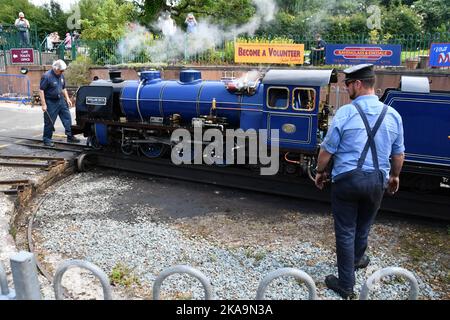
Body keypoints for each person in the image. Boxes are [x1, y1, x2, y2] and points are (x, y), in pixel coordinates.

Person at [314, 64, 405, 299]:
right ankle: (356, 260)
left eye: (347, 85)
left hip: (348, 179)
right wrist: (394, 176)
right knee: (363, 226)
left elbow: (327, 149)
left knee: (346, 230)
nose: (346, 90)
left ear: (357, 84)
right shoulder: (393, 114)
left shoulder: (345, 113)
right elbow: (398, 154)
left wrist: (319, 171)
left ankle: (345, 284)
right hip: (377, 181)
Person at [39, 60, 80, 146]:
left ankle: (70, 136)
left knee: (67, 118)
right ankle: (47, 139)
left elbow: (63, 88)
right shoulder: (47, 76)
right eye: (61, 70)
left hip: (61, 100)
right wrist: (44, 104)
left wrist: (67, 99)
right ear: (55, 68)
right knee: (49, 121)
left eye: (63, 70)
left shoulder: (61, 75)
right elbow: (41, 90)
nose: (62, 72)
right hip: (50, 101)